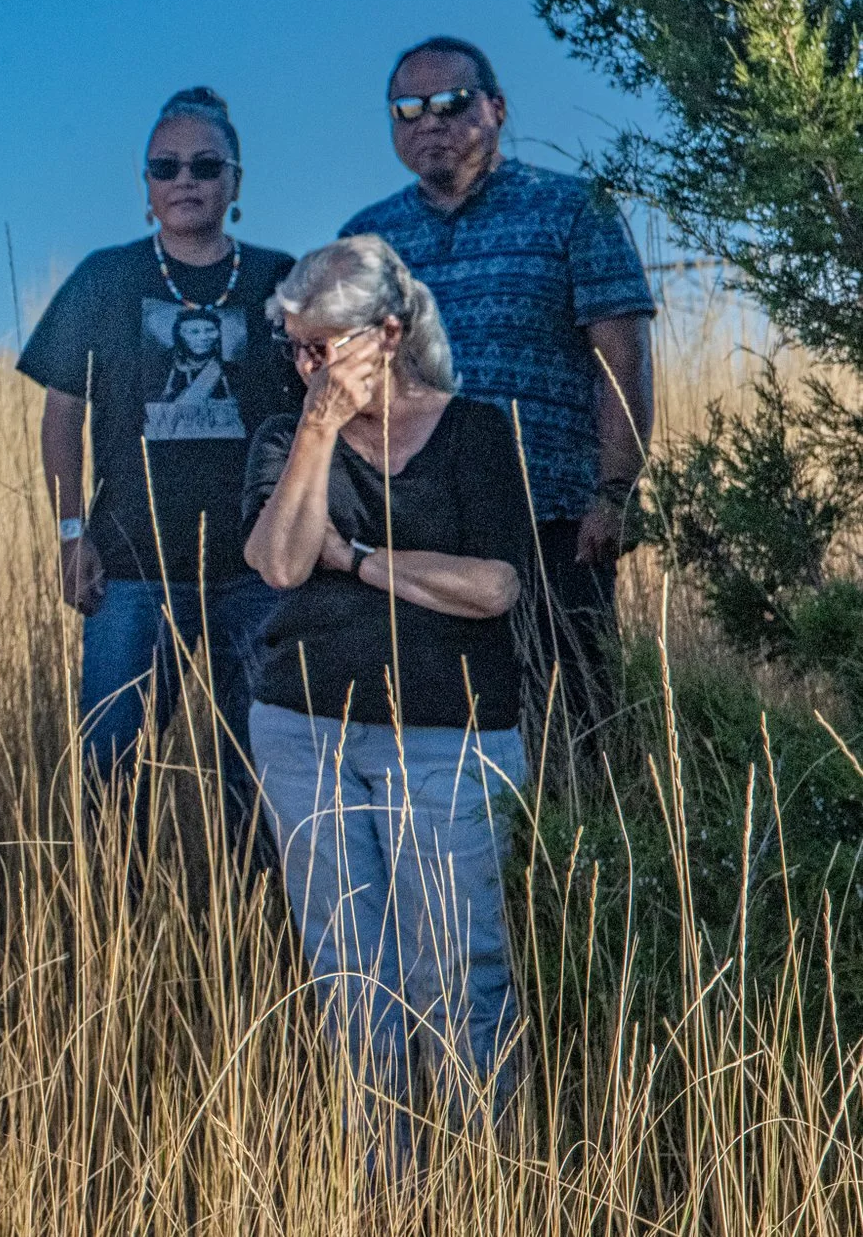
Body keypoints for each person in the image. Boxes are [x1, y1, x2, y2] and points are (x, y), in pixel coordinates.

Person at [242, 235, 534, 1149]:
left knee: (459, 969)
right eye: (294, 347)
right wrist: (319, 428)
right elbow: (282, 561)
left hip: (447, 737)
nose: (305, 366)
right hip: (303, 732)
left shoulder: (475, 431)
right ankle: (380, 1180)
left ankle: (484, 1175)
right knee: (349, 974)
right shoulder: (288, 438)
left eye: (322, 345)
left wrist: (363, 560)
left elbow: (494, 587)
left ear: (388, 333)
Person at [340, 37, 656, 755]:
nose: (430, 122)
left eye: (451, 103)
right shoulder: (366, 238)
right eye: (407, 109)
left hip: (551, 521)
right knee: (435, 740)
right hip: (414, 531)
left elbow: (624, 364)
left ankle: (580, 861)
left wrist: (615, 492)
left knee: (575, 725)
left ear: (497, 108)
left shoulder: (572, 209)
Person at [16, 87, 301, 849]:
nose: (186, 180)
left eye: (206, 165)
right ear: (145, 186)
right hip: (132, 568)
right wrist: (72, 533)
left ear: (236, 182)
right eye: (165, 166)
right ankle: (115, 933)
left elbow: (327, 412)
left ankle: (258, 937)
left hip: (259, 572)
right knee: (112, 768)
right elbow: (62, 413)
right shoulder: (103, 279)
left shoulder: (284, 282)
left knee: (266, 769)